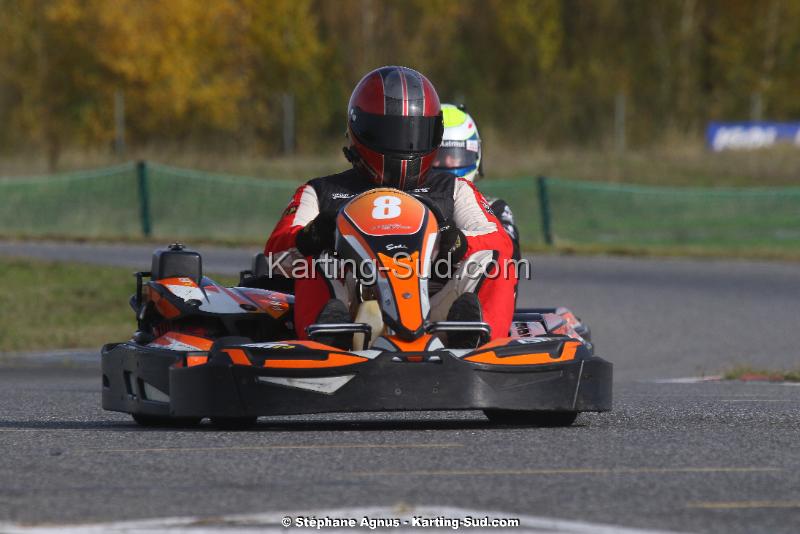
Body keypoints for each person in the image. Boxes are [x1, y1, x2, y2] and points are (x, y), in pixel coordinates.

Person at [264, 66, 515, 348]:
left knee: (494, 262)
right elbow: (276, 253)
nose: (404, 144)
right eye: (390, 132)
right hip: (352, 314)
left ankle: (481, 346)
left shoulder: (452, 190)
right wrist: (311, 237)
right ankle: (326, 343)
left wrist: (457, 241)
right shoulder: (323, 192)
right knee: (313, 260)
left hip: (435, 317)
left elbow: (500, 244)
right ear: (361, 129)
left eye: (416, 132)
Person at [432, 104, 521, 262]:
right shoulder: (410, 203)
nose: (448, 162)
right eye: (440, 155)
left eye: (456, 156)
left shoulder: (495, 209)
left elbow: (508, 258)